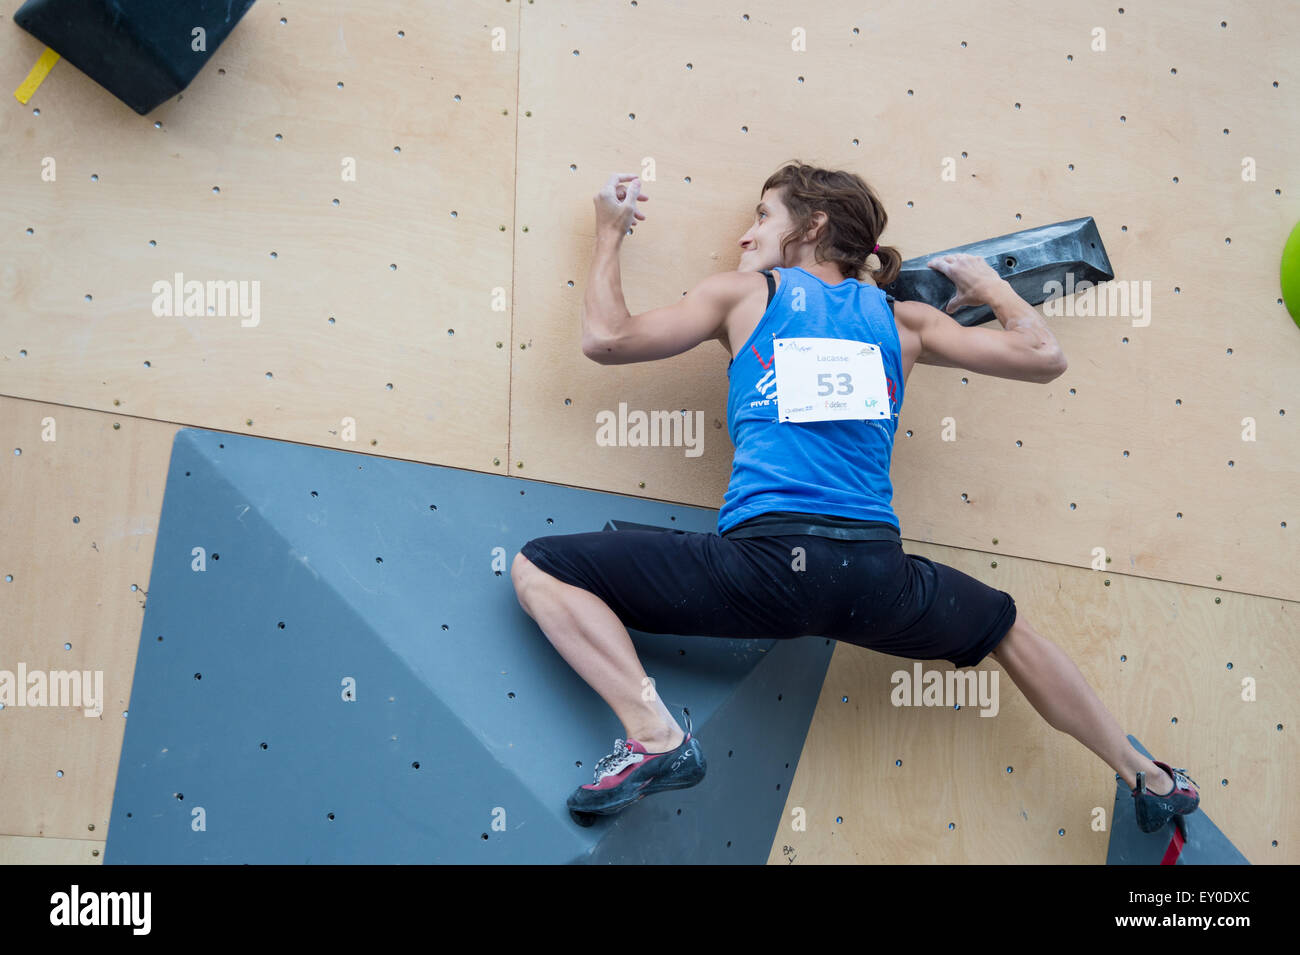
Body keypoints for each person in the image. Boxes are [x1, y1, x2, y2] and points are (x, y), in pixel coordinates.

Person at [511, 161, 1199, 834]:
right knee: (1005, 629)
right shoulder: (906, 323)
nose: (745, 236)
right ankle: (1151, 776)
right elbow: (1044, 357)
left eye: (761, 216)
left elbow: (605, 339)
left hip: (769, 567)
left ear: (811, 224)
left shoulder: (745, 295)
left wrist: (608, 231)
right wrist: (992, 285)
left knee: (540, 565)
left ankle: (653, 733)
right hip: (877, 580)